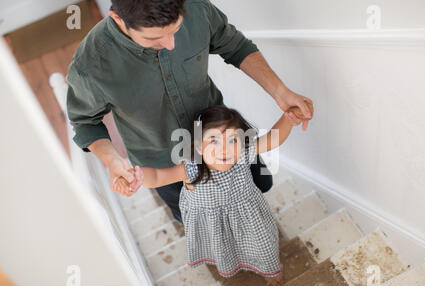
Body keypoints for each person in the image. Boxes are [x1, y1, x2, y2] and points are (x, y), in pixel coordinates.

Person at [66, 0, 314, 224]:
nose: (171, 44)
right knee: (200, 221)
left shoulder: (196, 8)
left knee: (258, 189)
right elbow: (85, 123)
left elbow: (235, 45)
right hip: (164, 162)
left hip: (227, 140)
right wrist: (113, 161)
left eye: (176, 30)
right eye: (155, 39)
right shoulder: (91, 65)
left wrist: (281, 92)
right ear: (118, 20)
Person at [115, 105, 302, 286]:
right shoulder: (191, 169)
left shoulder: (243, 154)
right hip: (213, 226)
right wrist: (135, 176)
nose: (224, 149)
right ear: (198, 146)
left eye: (233, 140)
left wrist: (287, 120)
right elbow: (157, 176)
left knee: (263, 247)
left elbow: (272, 140)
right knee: (226, 249)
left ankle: (270, 271)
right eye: (214, 140)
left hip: (249, 220)